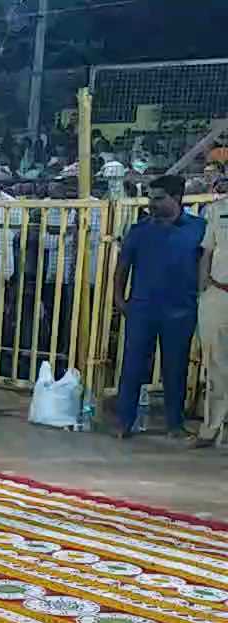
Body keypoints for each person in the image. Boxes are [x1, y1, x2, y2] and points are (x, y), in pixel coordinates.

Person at [113, 174, 204, 439]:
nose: (151, 204)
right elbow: (122, 268)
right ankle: (124, 422)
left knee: (175, 368)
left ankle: (174, 424)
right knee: (132, 366)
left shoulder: (199, 229)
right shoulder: (138, 230)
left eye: (158, 198)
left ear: (176, 198)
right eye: (149, 198)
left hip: (181, 309)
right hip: (142, 308)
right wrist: (120, 299)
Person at [198, 179, 228, 449]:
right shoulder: (217, 210)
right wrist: (204, 284)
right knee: (215, 364)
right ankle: (211, 429)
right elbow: (207, 250)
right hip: (219, 292)